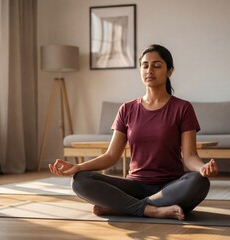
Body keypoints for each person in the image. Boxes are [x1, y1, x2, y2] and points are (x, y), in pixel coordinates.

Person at [49, 44, 219, 221]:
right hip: (134, 185)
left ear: (169, 71)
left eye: (157, 65)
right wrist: (78, 167)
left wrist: (203, 168)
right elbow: (111, 156)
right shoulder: (127, 109)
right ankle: (150, 210)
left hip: (171, 187)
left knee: (198, 182)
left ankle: (123, 207)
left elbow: (190, 156)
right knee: (80, 181)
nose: (149, 70)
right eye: (145, 65)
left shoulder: (183, 108)